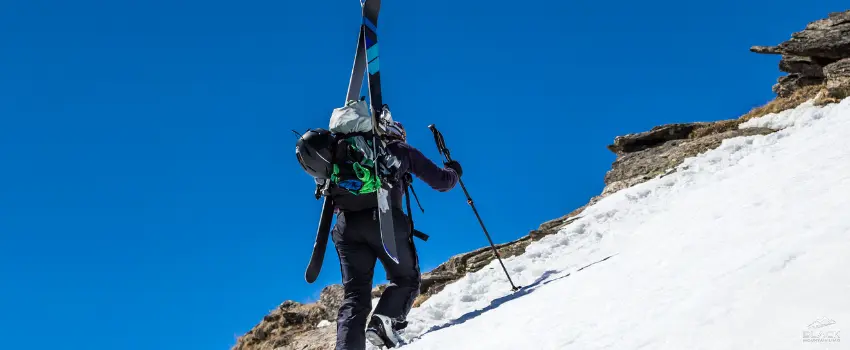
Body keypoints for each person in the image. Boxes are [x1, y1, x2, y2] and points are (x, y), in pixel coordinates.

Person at [331, 121, 462, 349]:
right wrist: (455, 171)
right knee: (406, 279)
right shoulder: (399, 150)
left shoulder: (346, 156)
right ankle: (384, 322)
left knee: (354, 297)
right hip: (384, 217)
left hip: (346, 227)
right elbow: (442, 182)